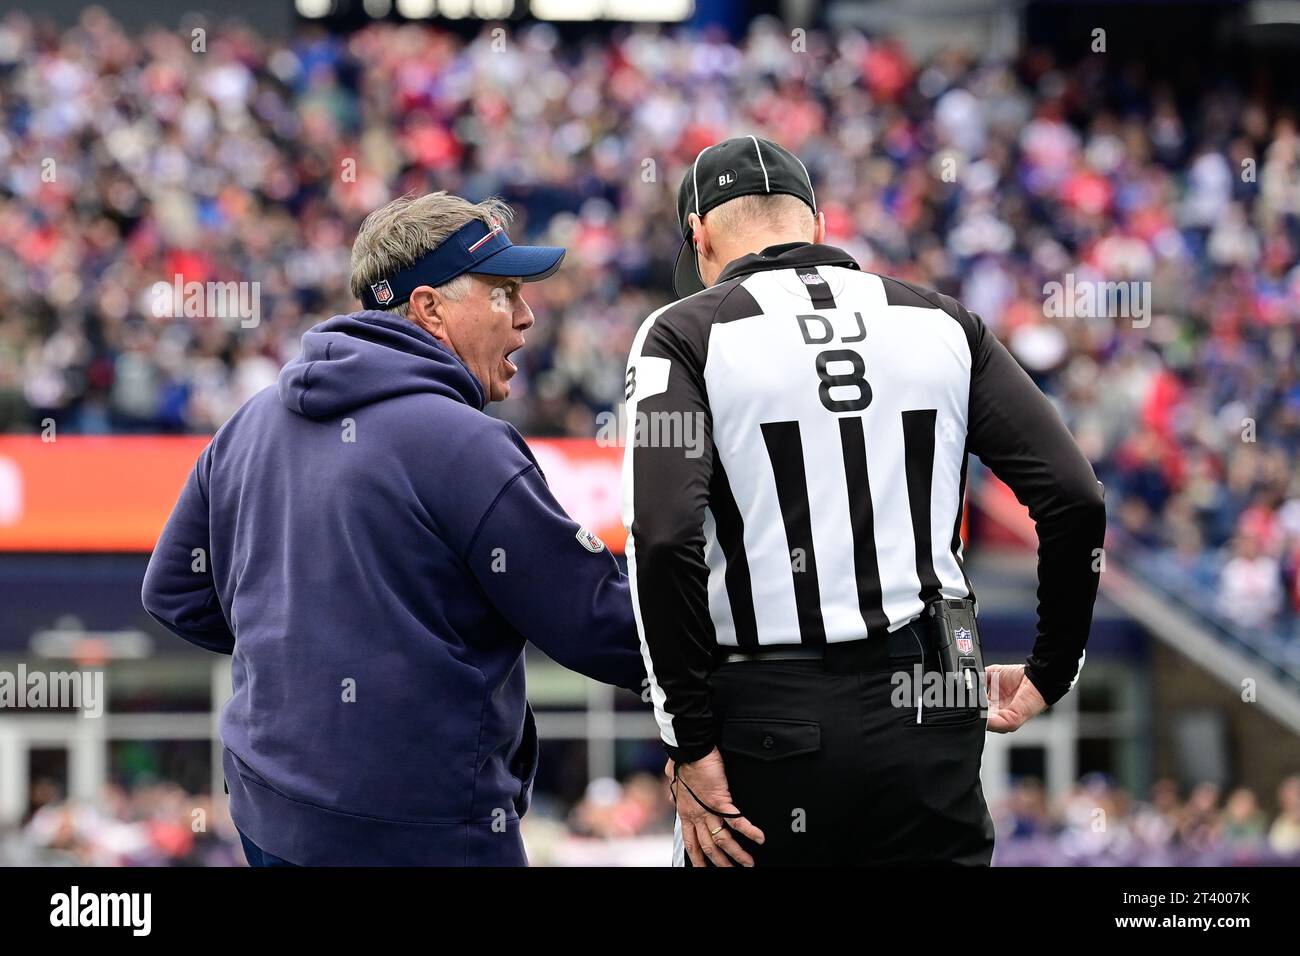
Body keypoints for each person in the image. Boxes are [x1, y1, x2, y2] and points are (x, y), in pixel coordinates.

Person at [622, 136, 1106, 866]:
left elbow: (663, 539)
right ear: (817, 224)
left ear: (700, 236)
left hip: (771, 715)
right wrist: (1051, 667)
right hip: (931, 700)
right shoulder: (942, 320)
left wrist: (688, 739)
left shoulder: (685, 332)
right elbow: (1074, 497)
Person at [142, 192, 645, 866]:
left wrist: (304, 653)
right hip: (424, 831)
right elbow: (600, 624)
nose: (525, 319)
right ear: (429, 308)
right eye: (502, 293)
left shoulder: (250, 422)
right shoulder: (464, 443)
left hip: (270, 816)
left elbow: (175, 592)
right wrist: (751, 662)